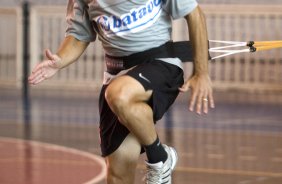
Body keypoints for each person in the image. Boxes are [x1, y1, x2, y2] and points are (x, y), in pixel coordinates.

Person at [28, 0, 215, 183]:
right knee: (118, 175)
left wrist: (201, 72)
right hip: (116, 73)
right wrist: (59, 61)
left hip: (160, 64)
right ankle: (161, 155)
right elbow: (79, 36)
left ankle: (159, 158)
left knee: (118, 94)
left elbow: (194, 13)